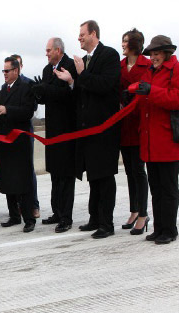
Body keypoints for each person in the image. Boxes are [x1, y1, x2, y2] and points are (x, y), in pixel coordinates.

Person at [55, 20, 121, 239]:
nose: (79, 38)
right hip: (87, 131)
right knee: (93, 176)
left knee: (104, 177)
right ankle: (95, 219)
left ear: (93, 34)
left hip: (104, 130)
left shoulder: (109, 55)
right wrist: (72, 82)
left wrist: (82, 75)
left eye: (82, 34)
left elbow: (105, 85)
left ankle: (107, 224)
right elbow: (81, 96)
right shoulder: (83, 62)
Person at [136, 35, 179, 244]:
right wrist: (133, 96)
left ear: (166, 53)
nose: (153, 57)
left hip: (168, 140)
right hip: (151, 141)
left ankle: (170, 229)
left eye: (157, 53)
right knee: (157, 188)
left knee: (168, 188)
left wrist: (152, 91)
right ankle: (159, 228)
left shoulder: (178, 69)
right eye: (151, 54)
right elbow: (146, 101)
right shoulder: (149, 72)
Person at [32, 38, 77, 233]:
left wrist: (46, 89)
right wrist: (38, 93)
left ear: (58, 50)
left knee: (66, 175)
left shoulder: (70, 66)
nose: (47, 53)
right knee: (55, 174)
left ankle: (66, 217)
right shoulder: (45, 70)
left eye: (49, 50)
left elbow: (66, 94)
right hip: (52, 129)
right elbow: (47, 97)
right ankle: (57, 212)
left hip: (67, 129)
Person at [0, 57, 36, 232]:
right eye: (3, 71)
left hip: (19, 142)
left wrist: (8, 110)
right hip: (4, 141)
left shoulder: (26, 87)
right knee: (8, 179)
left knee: (24, 181)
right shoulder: (2, 91)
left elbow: (28, 111)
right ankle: (14, 215)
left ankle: (29, 218)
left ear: (16, 71)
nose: (4, 74)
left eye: (7, 71)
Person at [118, 29, 152, 235]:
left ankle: (144, 213)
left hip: (139, 124)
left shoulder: (146, 65)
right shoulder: (120, 66)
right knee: (129, 170)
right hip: (124, 124)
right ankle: (134, 209)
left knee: (139, 170)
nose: (122, 44)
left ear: (134, 44)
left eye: (125, 41)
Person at [12, 54, 40, 219]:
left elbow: (32, 108)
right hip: (10, 134)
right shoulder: (5, 85)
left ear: (21, 67)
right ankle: (18, 205)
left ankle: (33, 205)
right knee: (14, 170)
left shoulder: (29, 83)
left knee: (29, 169)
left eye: (18, 65)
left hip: (25, 132)